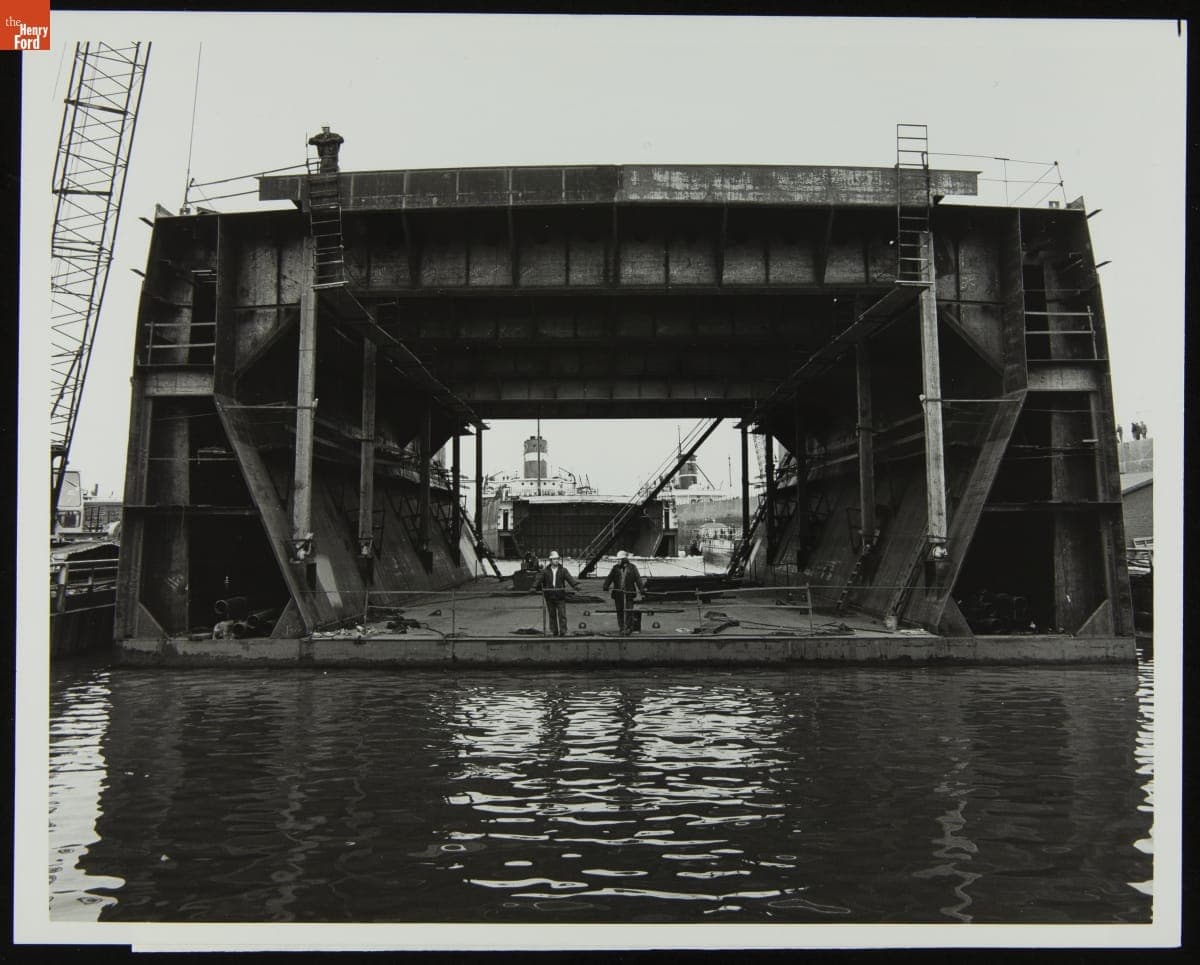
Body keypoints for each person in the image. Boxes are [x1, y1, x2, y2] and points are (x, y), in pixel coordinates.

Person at [531, 550, 579, 637]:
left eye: (557, 559)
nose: (556, 560)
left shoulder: (563, 570)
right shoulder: (545, 571)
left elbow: (570, 579)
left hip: (560, 596)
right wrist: (534, 587)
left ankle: (563, 631)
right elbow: (539, 579)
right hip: (549, 596)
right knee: (552, 615)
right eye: (554, 559)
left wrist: (575, 586)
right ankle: (554, 631)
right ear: (551, 560)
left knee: (562, 615)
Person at [602, 550, 646, 636]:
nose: (617, 561)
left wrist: (641, 589)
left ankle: (628, 628)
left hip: (629, 593)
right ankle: (622, 627)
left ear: (624, 560)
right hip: (618, 594)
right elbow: (609, 578)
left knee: (629, 611)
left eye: (619, 559)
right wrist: (606, 585)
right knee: (620, 611)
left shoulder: (633, 568)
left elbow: (638, 579)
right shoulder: (615, 568)